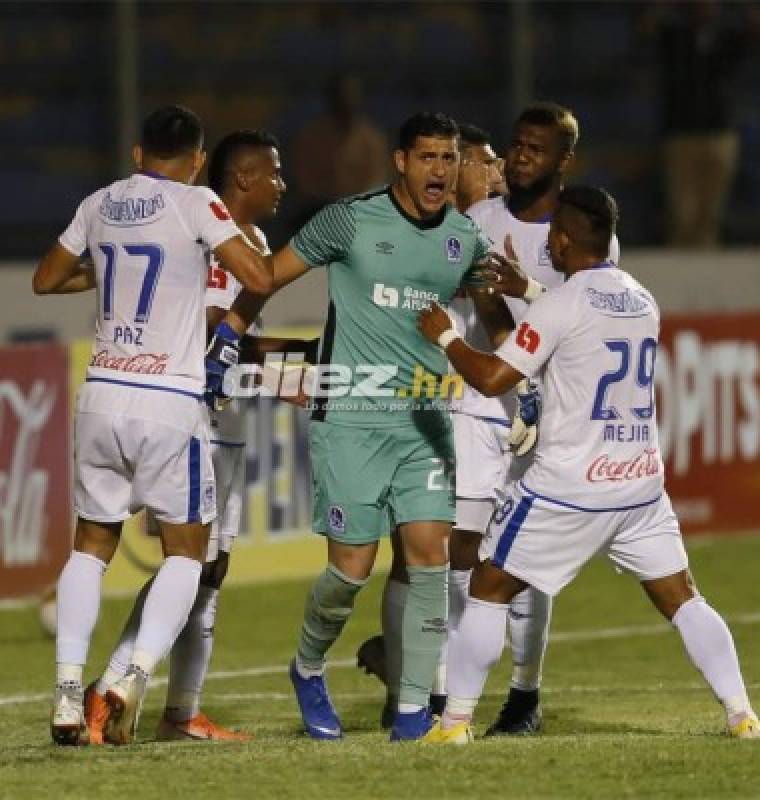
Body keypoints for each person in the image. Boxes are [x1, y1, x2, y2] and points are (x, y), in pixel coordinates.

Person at [221, 111, 539, 742]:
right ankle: (308, 668)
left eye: (449, 160)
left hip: (424, 422)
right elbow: (266, 279)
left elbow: (500, 325)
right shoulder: (349, 219)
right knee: (350, 572)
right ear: (400, 161)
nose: (441, 172)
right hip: (350, 420)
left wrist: (528, 382)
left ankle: (415, 712)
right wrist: (228, 340)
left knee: (428, 561)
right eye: (428, 159)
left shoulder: (463, 240)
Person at [414, 185, 760, 743]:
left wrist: (448, 336)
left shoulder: (561, 304)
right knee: (683, 598)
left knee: (488, 585)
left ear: (561, 239)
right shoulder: (642, 298)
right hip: (639, 486)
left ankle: (454, 723)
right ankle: (742, 713)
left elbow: (492, 378)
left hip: (568, 488)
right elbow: (579, 321)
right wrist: (526, 288)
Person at [359, 103, 620, 736]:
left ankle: (524, 695)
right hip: (478, 406)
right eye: (516, 146)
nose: (521, 158)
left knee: (530, 563)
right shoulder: (478, 218)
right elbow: (455, 297)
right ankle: (442, 693)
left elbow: (595, 314)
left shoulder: (584, 231)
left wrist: (525, 292)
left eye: (536, 149)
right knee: (461, 553)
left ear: (564, 161)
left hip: (549, 418)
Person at [33, 105, 272, 746]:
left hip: (102, 390)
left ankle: (63, 693)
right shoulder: (198, 204)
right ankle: (132, 677)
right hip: (167, 398)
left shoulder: (100, 201)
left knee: (91, 546)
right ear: (197, 160)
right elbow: (258, 275)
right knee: (188, 556)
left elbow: (46, 278)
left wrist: (109, 272)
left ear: (139, 154)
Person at [356, 121, 507, 726]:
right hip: (428, 410)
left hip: (477, 410)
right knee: (431, 554)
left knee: (452, 558)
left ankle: (410, 672)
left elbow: (498, 323)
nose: (494, 172)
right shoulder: (401, 229)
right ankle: (422, 691)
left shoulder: (478, 235)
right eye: (484, 162)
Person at [640, 1, 760, 248]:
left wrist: (743, 7)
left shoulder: (728, 37)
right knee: (682, 207)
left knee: (712, 206)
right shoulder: (674, 36)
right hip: (681, 129)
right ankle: (681, 253)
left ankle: (707, 253)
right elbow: (644, 30)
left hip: (721, 128)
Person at [289, 73, 390, 228]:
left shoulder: (371, 138)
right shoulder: (312, 135)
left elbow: (376, 180)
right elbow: (304, 179)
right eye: (342, 97)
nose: (347, 102)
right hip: (319, 207)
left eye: (352, 97)